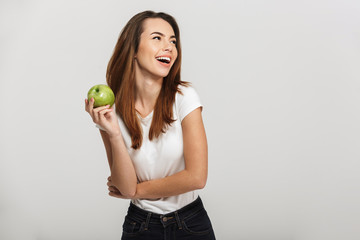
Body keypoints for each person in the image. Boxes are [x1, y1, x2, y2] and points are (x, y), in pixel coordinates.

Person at [85, 10, 216, 240]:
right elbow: (125, 185)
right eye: (157, 38)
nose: (169, 47)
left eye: (173, 41)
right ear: (133, 50)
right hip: (140, 226)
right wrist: (114, 133)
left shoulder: (185, 97)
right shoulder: (110, 111)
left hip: (191, 224)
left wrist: (137, 191)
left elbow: (197, 177)